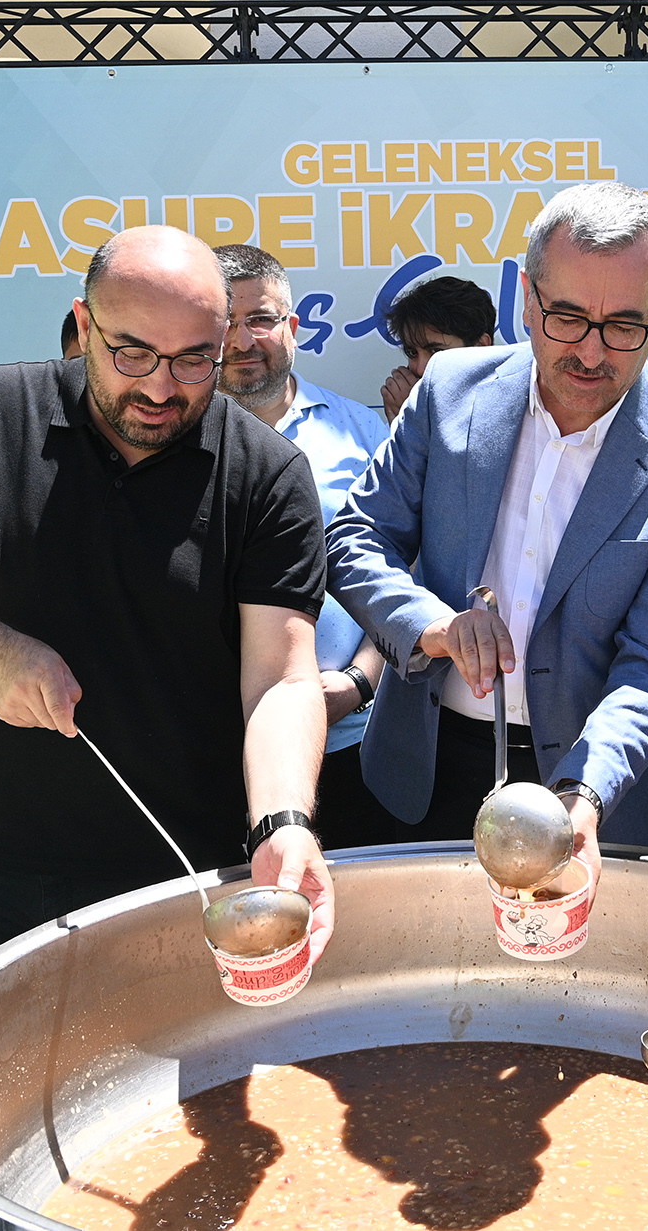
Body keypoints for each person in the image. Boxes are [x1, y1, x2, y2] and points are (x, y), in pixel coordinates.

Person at [0, 224, 335, 970]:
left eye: (195, 360)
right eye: (133, 354)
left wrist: (284, 821)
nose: (162, 386)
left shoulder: (268, 473)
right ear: (84, 324)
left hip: (194, 872)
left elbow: (282, 678)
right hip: (10, 871)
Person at [327, 181, 648, 884]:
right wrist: (432, 625)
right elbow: (355, 538)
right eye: (567, 316)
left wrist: (584, 794)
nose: (591, 351)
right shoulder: (449, 391)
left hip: (594, 787)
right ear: (527, 298)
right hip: (425, 768)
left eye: (623, 325)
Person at [214, 243, 395, 849]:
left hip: (350, 741)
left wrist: (360, 683)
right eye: (223, 324)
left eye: (259, 320)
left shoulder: (361, 431)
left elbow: (403, 569)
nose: (241, 340)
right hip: (207, 749)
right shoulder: (166, 440)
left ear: (291, 328)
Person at [380, 274, 496, 422]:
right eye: (412, 352)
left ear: (480, 347)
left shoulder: (511, 407)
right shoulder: (406, 402)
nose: (420, 369)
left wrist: (418, 419)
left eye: (436, 351)